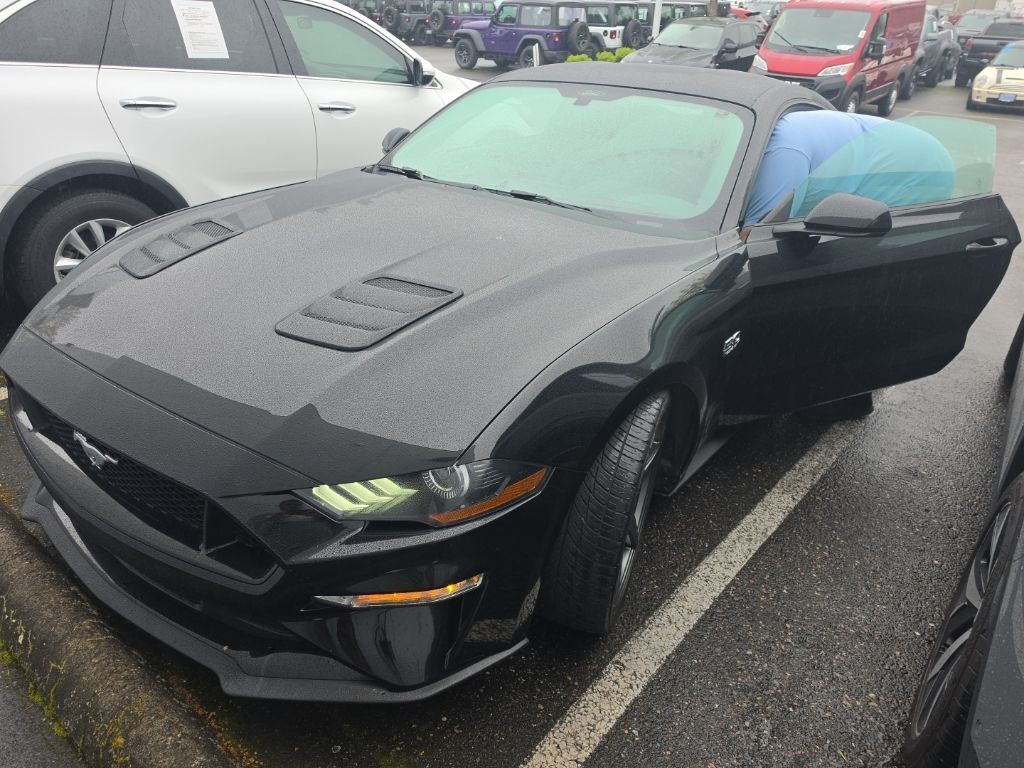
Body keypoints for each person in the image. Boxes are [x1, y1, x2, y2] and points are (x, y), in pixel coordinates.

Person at [742, 110, 956, 230]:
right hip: (885, 151)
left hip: (917, 165)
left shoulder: (784, 153)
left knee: (872, 244)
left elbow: (756, 237)